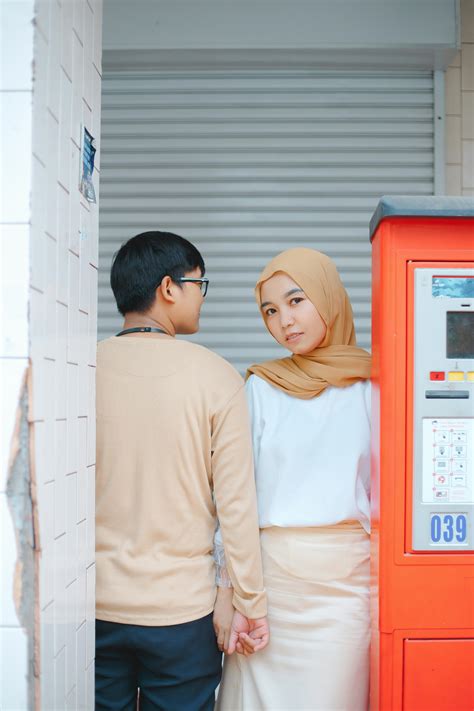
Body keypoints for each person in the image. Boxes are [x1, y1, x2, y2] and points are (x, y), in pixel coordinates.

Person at [95, 231, 269, 711]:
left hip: (90, 606)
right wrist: (247, 602)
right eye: (199, 284)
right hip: (182, 614)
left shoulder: (80, 367)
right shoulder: (217, 376)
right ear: (169, 288)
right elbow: (236, 504)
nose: (201, 297)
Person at [215, 247, 372, 711]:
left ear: (328, 296)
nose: (285, 320)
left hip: (347, 592)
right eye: (270, 310)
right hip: (272, 592)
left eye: (296, 300)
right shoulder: (260, 387)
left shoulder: (375, 386)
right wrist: (233, 592)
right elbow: (235, 496)